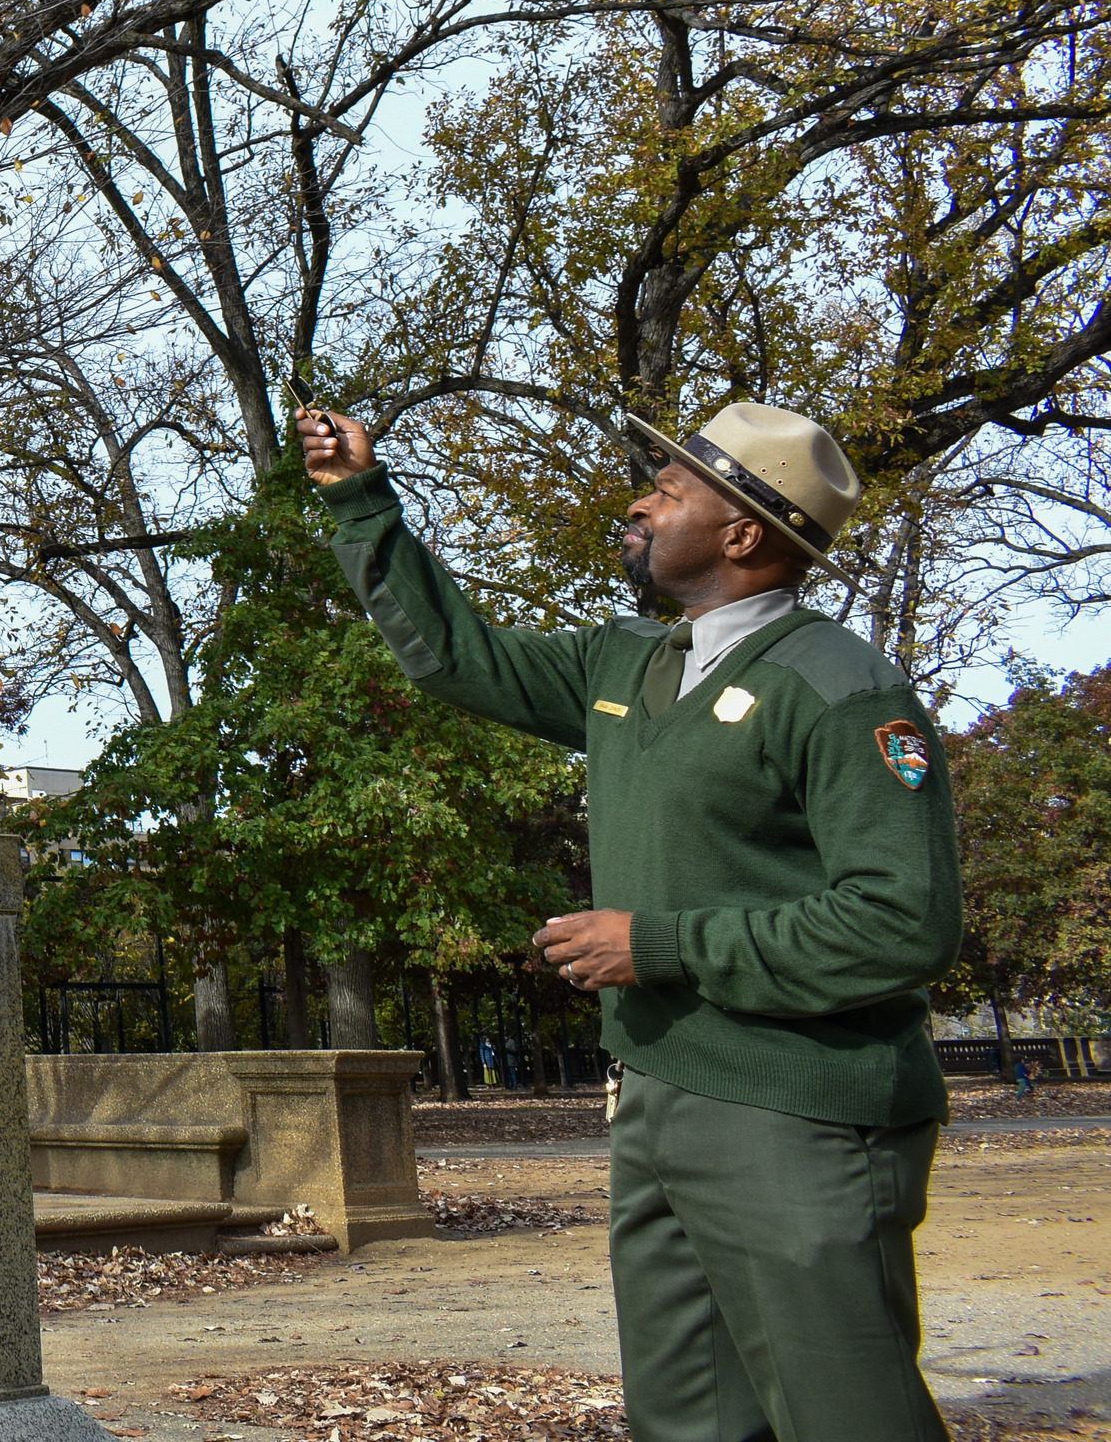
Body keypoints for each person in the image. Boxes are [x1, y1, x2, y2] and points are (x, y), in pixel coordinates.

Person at [300, 398, 962, 1442]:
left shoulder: (840, 687)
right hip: (659, 1095)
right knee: (686, 1417)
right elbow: (455, 654)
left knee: (845, 1413)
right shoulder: (630, 664)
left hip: (799, 1113)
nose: (639, 503)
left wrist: (655, 943)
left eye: (669, 489)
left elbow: (902, 923)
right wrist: (359, 497)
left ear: (743, 532)